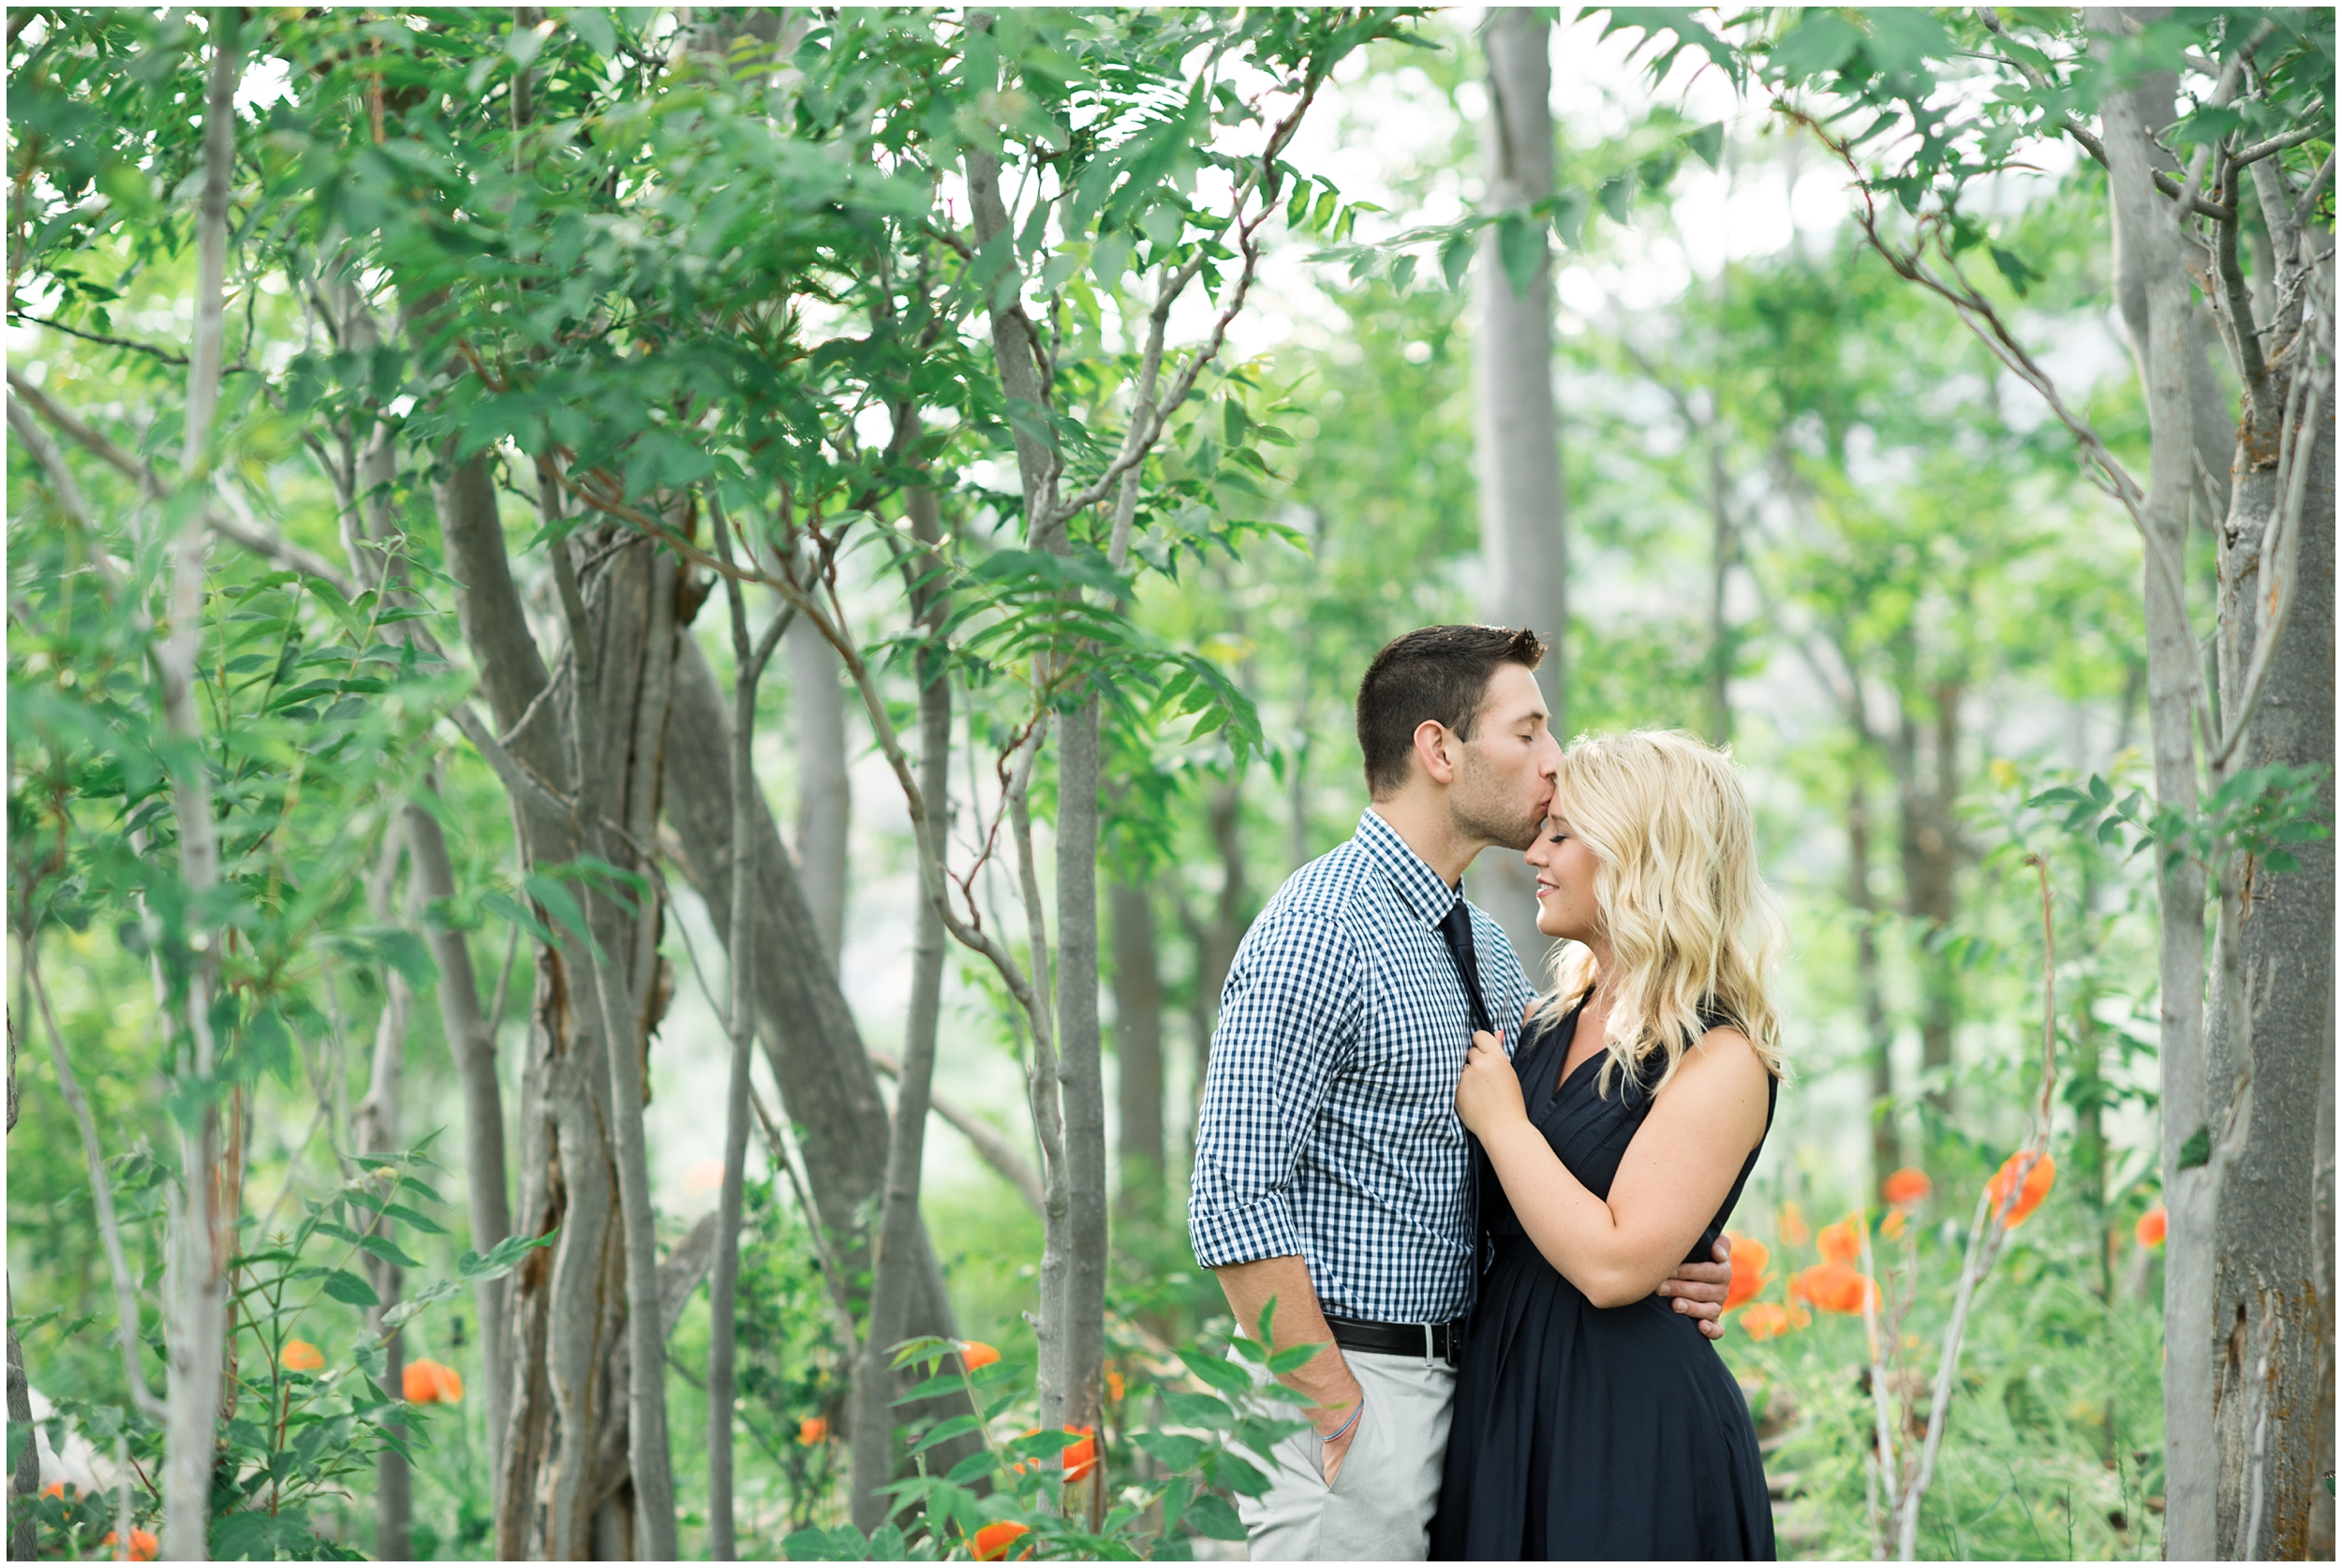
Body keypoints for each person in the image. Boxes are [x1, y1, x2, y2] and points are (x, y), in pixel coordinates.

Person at [1187, 627, 1736, 1562]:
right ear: (1440, 749)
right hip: (1346, 1395)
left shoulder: (1481, 947)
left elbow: (1557, 1146)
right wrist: (1337, 1413)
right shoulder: (1317, 929)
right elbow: (1232, 1199)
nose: (1552, 762)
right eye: (1528, 733)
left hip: (1475, 1398)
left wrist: (1682, 1245)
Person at [1431, 729, 1784, 1561]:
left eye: (1562, 834)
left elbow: (1617, 1265)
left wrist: (1504, 1123)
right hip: (1507, 1398)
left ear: (1640, 854)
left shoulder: (1722, 1056)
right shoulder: (1541, 1024)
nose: (1534, 855)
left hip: (1634, 1426)